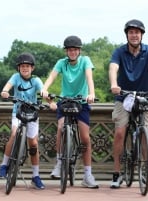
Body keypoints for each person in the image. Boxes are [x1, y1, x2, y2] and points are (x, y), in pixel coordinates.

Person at [41, 35, 99, 188]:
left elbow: (89, 78)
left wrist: (91, 93)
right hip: (65, 101)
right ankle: (59, 163)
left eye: (75, 50)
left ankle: (87, 175)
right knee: (60, 127)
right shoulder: (62, 63)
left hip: (81, 102)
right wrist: (44, 89)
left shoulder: (85, 60)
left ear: (79, 51)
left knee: (85, 138)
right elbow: (51, 77)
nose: (72, 52)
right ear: (66, 51)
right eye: (69, 50)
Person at [0, 52, 51, 190]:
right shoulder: (15, 77)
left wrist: (50, 100)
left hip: (32, 114)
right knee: (14, 135)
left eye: (27, 66)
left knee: (33, 143)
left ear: (32, 68)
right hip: (18, 112)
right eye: (22, 66)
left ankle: (36, 176)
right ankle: (4, 165)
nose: (25, 68)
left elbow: (44, 92)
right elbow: (7, 86)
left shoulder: (36, 80)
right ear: (18, 68)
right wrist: (5, 91)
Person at [109, 19, 148, 188]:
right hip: (123, 97)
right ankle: (117, 173)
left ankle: (145, 170)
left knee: (146, 134)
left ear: (141, 35)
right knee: (119, 133)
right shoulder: (119, 52)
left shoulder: (147, 51)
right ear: (127, 35)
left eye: (137, 32)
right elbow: (113, 67)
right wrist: (113, 84)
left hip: (144, 97)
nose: (134, 35)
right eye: (131, 32)